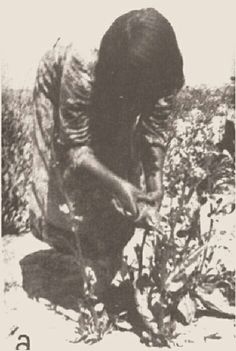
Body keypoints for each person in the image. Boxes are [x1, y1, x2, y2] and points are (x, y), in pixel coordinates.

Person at [30, 8, 184, 299]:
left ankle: (103, 248)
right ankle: (66, 241)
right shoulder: (83, 62)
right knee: (62, 178)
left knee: (121, 164)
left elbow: (154, 129)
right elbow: (75, 149)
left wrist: (155, 184)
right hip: (60, 84)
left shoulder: (161, 69)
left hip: (119, 87)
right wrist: (118, 184)